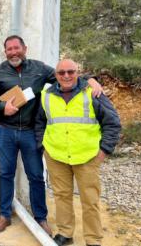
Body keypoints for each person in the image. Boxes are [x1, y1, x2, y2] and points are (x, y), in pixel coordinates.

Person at [0, 35, 102, 234]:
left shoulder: (40, 68)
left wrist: (89, 79)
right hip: (5, 131)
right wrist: (2, 106)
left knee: (36, 176)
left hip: (31, 132)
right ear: (5, 52)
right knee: (5, 174)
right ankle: (4, 215)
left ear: (24, 48)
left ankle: (41, 218)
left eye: (16, 48)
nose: (13, 52)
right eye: (9, 49)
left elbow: (66, 76)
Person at [35, 59, 121, 246]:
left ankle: (93, 239)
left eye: (71, 72)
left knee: (90, 200)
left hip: (87, 157)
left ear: (78, 72)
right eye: (61, 73)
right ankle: (65, 233)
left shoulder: (93, 93)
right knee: (61, 196)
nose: (66, 76)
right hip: (56, 155)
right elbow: (40, 122)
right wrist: (43, 146)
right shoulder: (46, 95)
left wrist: (104, 150)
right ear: (56, 75)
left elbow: (112, 122)